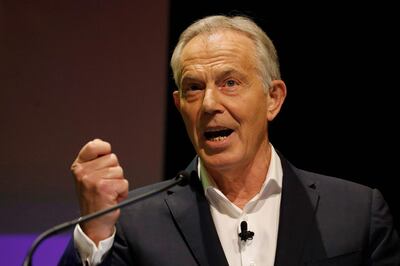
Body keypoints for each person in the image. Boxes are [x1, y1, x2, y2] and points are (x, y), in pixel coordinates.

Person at [59, 15, 400, 266]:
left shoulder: (357, 212)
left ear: (273, 99)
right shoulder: (133, 221)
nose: (209, 104)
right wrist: (95, 231)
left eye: (230, 83)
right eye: (194, 87)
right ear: (179, 106)